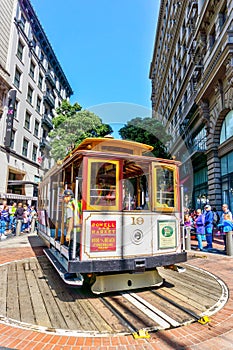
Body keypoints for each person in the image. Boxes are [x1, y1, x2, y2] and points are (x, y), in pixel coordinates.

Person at [62, 189, 81, 260]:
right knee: (77, 248)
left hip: (75, 229)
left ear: (68, 197)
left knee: (72, 250)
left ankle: (72, 269)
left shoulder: (69, 205)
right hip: (80, 228)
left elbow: (71, 219)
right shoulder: (77, 203)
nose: (64, 199)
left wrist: (68, 233)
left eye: (64, 197)